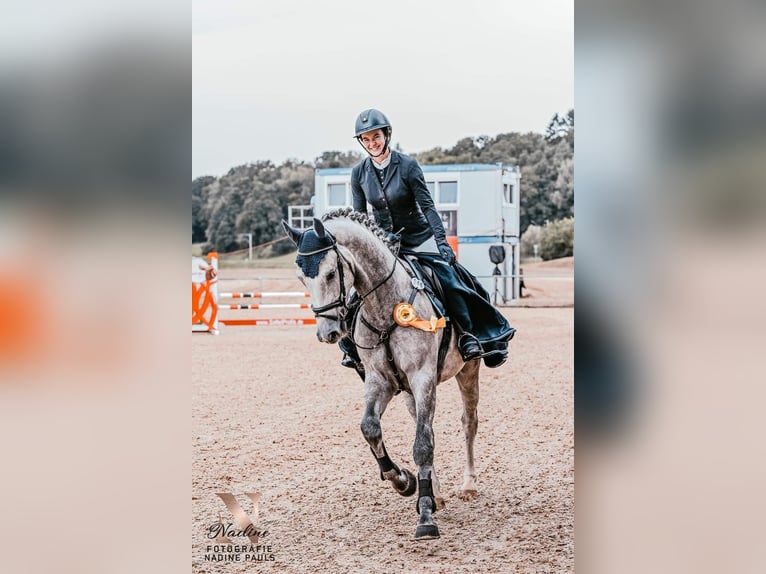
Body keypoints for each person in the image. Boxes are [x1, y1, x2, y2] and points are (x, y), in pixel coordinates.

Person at [340, 108, 515, 371]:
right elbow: (359, 218)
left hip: (418, 237)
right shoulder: (359, 173)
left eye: (375, 137)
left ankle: (467, 337)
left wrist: (441, 242)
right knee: (357, 290)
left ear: (386, 135)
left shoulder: (408, 166)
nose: (371, 143)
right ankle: (353, 346)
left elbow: (428, 207)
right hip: (385, 245)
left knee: (448, 279)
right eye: (365, 139)